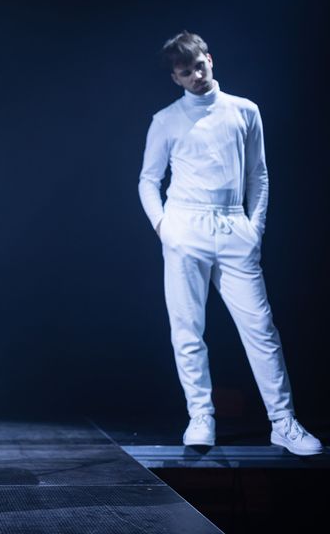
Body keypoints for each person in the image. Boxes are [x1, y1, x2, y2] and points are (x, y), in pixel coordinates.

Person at [138, 30, 322, 455]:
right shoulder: (165, 120)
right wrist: (164, 228)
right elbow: (148, 180)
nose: (196, 75)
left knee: (261, 329)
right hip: (185, 226)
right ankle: (200, 416)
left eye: (199, 65)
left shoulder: (244, 110)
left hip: (233, 226)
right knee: (187, 328)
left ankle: (284, 422)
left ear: (210, 59)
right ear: (175, 78)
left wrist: (254, 229)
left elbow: (259, 174)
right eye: (186, 72)